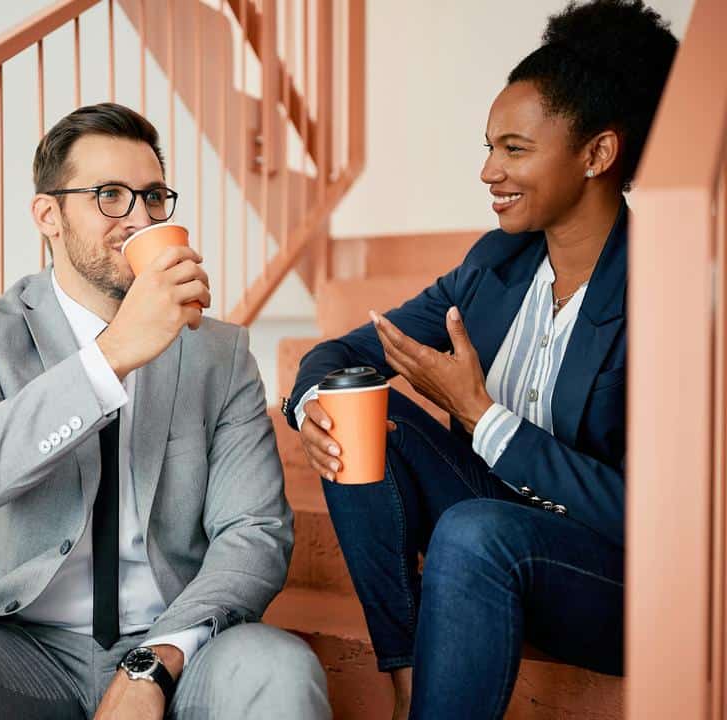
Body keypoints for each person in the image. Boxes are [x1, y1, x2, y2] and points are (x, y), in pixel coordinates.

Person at [0, 102, 331, 719]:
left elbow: (254, 533)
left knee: (279, 667)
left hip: (176, 645)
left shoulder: (219, 352)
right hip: (20, 648)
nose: (140, 218)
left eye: (152, 197)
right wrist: (111, 357)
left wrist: (157, 661)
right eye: (111, 196)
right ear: (49, 214)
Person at [283, 2, 677, 717]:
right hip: (491, 531)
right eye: (489, 146)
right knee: (358, 405)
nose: (488, 170)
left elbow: (654, 516)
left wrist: (481, 415)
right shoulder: (495, 264)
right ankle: (405, 680)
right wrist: (313, 404)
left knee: (476, 531)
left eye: (515, 149)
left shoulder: (665, 293)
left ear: (597, 154)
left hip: (617, 578)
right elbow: (344, 352)